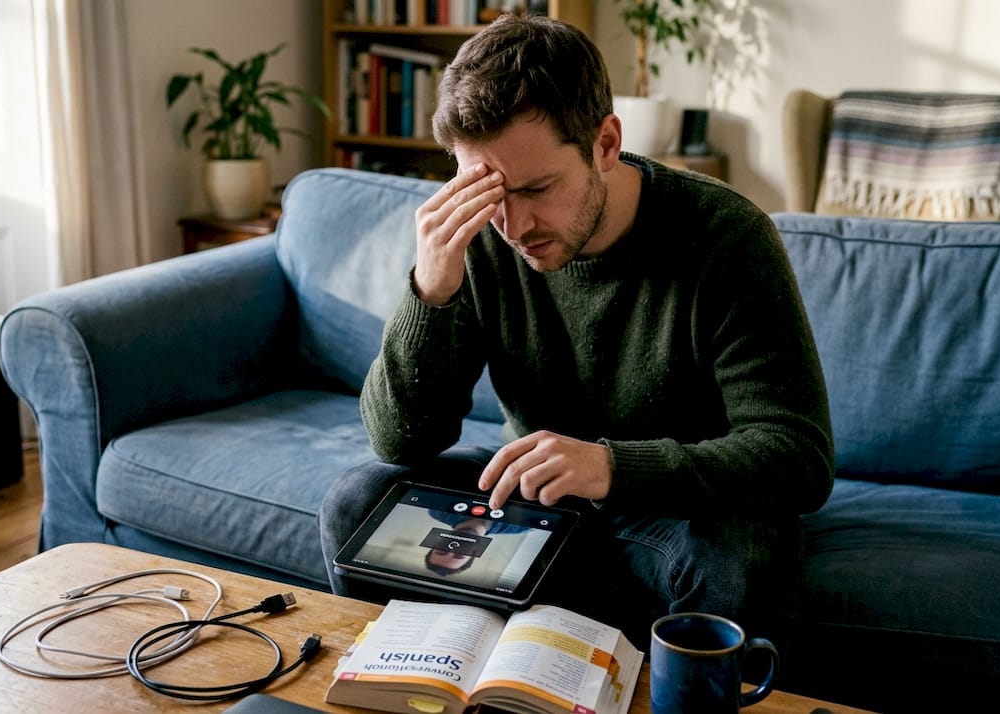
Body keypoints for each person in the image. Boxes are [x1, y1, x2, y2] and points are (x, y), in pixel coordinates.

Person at [318, 12, 834, 652]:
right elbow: (399, 440)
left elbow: (798, 457)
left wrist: (611, 466)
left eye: (537, 188)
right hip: (534, 505)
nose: (513, 222)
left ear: (606, 143)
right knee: (358, 502)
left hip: (676, 512)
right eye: (488, 189)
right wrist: (430, 291)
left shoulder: (726, 237)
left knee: (744, 552)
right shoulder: (482, 237)